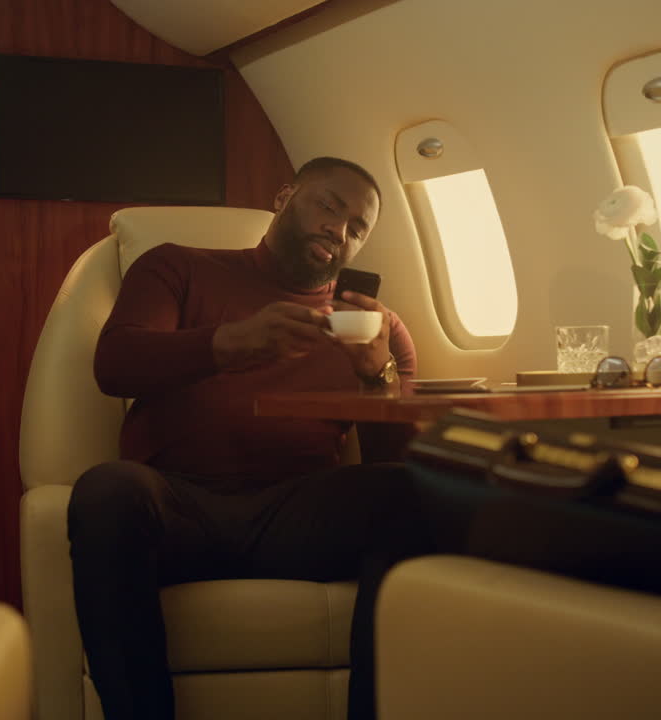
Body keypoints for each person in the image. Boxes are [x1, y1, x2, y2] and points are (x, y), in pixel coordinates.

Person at [67, 157, 431, 720]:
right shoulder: (177, 267)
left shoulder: (377, 331)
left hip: (294, 514)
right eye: (328, 205)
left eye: (357, 227)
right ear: (284, 198)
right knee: (107, 491)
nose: (339, 230)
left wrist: (374, 377)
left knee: (412, 494)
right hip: (180, 504)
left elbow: (395, 464)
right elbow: (115, 365)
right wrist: (229, 344)